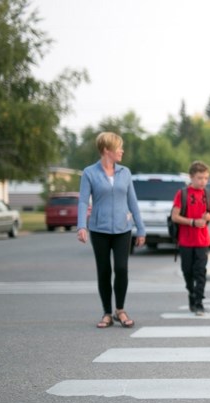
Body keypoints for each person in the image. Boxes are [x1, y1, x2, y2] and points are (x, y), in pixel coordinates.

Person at [76, 132, 145, 329]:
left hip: (123, 229)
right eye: (118, 147)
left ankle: (120, 310)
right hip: (99, 230)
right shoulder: (90, 173)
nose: (122, 151)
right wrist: (81, 226)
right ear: (107, 150)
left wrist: (141, 228)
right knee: (104, 271)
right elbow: (82, 201)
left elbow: (132, 201)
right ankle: (107, 312)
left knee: (121, 269)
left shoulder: (125, 172)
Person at [170, 160, 210, 316]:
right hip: (185, 240)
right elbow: (175, 216)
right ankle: (191, 292)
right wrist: (192, 222)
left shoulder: (209, 195)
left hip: (203, 240)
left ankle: (199, 302)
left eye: (205, 178)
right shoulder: (182, 194)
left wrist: (208, 216)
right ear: (191, 177)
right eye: (199, 178)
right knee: (187, 271)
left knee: (200, 271)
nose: (203, 181)